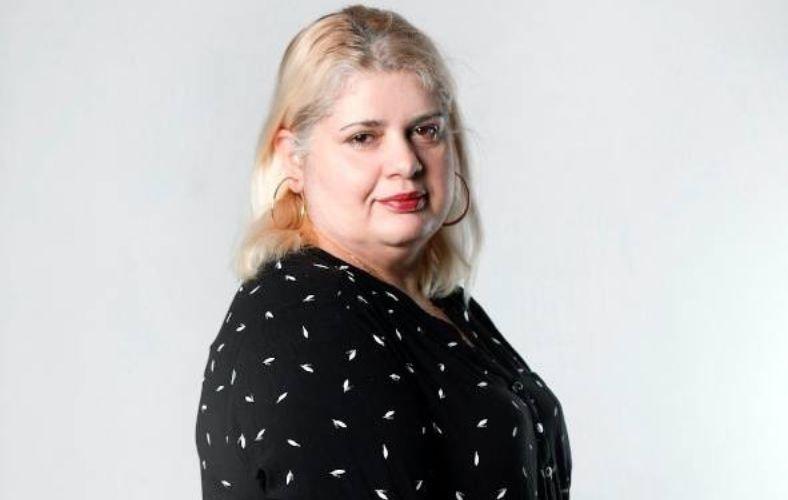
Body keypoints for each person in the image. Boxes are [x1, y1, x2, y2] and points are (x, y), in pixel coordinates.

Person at [194, 5, 572, 499]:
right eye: (363, 137)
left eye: (425, 130)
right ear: (293, 158)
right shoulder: (309, 319)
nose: (405, 162)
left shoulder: (438, 304)